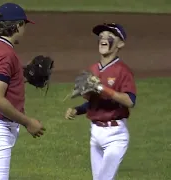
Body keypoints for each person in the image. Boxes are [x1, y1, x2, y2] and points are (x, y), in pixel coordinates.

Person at [0, 3, 46, 180]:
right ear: (17, 25)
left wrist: (22, 76)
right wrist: (27, 122)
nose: (24, 29)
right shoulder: (6, 54)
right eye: (24, 25)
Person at [65, 23, 137, 180]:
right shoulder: (93, 69)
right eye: (102, 36)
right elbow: (94, 102)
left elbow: (130, 101)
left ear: (120, 44)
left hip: (115, 135)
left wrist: (103, 89)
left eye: (110, 36)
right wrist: (77, 110)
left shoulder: (123, 71)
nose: (104, 39)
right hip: (95, 134)